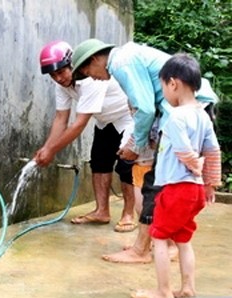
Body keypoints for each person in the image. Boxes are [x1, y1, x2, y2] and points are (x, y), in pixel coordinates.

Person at [71, 39, 219, 263]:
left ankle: (142, 250)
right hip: (196, 109)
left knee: (156, 182)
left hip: (182, 116)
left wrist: (136, 145)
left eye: (88, 72)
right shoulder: (128, 57)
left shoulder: (121, 63)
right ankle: (163, 244)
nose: (92, 77)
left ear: (94, 60)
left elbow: (145, 108)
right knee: (163, 181)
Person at [132, 53, 222, 298]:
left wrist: (194, 165)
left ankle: (163, 291)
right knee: (183, 239)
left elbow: (184, 150)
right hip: (194, 191)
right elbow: (213, 151)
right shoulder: (203, 115)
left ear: (173, 83)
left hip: (176, 189)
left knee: (158, 237)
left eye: (163, 87)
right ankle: (188, 288)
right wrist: (209, 183)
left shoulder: (175, 117)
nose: (165, 94)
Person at [34, 40, 136, 232]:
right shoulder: (62, 86)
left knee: (125, 166)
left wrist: (51, 150)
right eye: (53, 75)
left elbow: (79, 123)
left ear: (72, 64)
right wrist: (46, 147)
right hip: (104, 120)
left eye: (61, 71)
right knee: (99, 161)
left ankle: (128, 214)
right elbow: (60, 119)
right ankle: (102, 211)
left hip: (126, 116)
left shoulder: (89, 79)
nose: (58, 78)